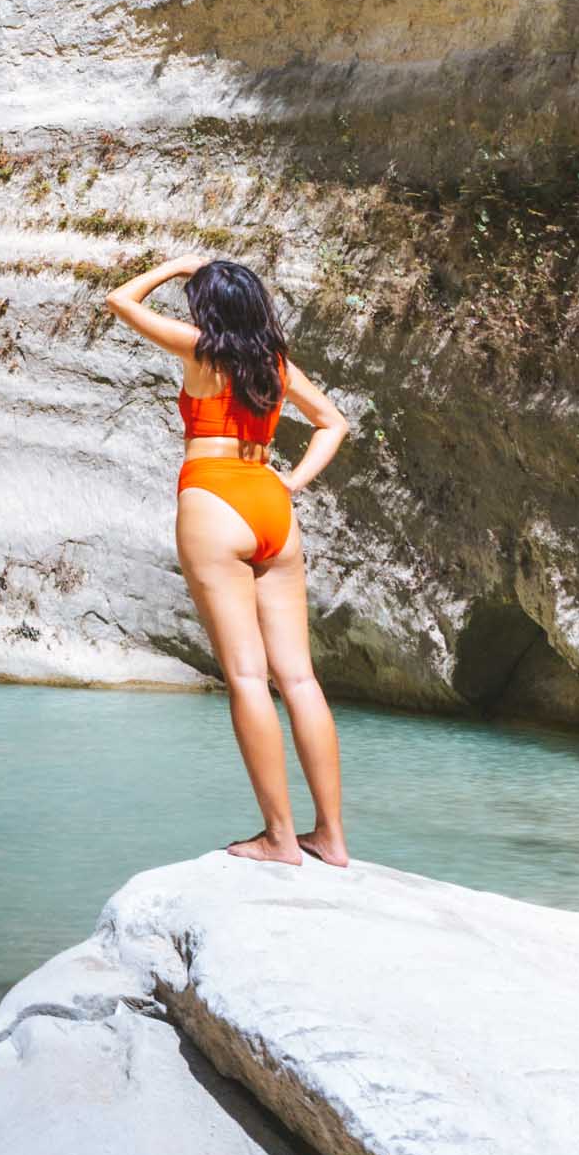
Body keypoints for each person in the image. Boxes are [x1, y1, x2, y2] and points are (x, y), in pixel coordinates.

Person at [105, 253, 351, 866]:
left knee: (246, 677)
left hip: (214, 499)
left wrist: (177, 266)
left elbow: (120, 301)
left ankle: (280, 839)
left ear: (208, 307)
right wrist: (290, 484)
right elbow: (333, 423)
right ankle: (332, 838)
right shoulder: (275, 363)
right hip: (271, 501)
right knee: (298, 678)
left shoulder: (200, 349)